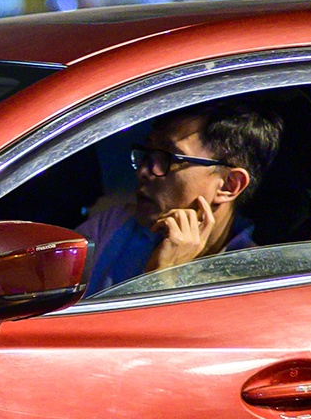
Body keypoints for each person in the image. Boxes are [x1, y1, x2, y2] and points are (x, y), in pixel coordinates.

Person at [79, 104, 279, 295]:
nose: (143, 171)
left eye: (169, 159)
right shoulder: (115, 225)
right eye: (148, 154)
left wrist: (162, 276)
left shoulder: (256, 282)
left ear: (229, 185)